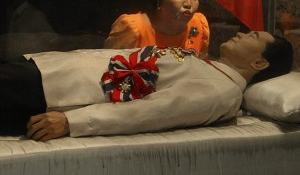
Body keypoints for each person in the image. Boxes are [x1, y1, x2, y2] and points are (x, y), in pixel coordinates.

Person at [0, 31, 293, 141]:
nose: (242, 32)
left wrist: (71, 121)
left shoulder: (223, 90)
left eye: (254, 34)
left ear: (259, 63)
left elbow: (153, 112)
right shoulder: (210, 66)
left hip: (49, 91)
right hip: (46, 71)